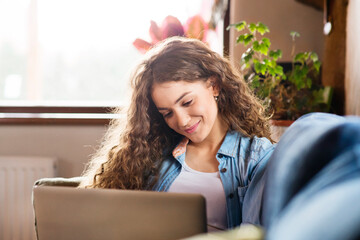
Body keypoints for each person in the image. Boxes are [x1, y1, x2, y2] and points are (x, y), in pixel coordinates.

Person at [79, 36, 275, 231]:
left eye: (187, 102)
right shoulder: (152, 153)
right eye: (167, 113)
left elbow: (257, 233)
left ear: (214, 86)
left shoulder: (256, 158)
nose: (181, 121)